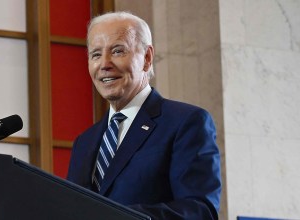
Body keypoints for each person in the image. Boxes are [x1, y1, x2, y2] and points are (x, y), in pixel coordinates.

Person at [67, 11, 221, 219]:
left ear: (147, 58)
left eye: (118, 51)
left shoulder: (186, 123)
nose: (104, 64)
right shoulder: (84, 142)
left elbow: (199, 211)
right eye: (95, 55)